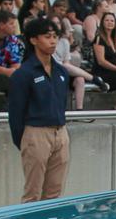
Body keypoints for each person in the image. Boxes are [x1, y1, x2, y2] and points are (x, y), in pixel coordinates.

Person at [8, 17, 70, 202]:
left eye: (54, 36)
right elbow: (15, 113)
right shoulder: (24, 74)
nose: (52, 41)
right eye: (47, 36)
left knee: (54, 193)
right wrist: (25, 141)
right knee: (32, 193)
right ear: (34, 39)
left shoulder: (61, 72)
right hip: (36, 132)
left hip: (60, 131)